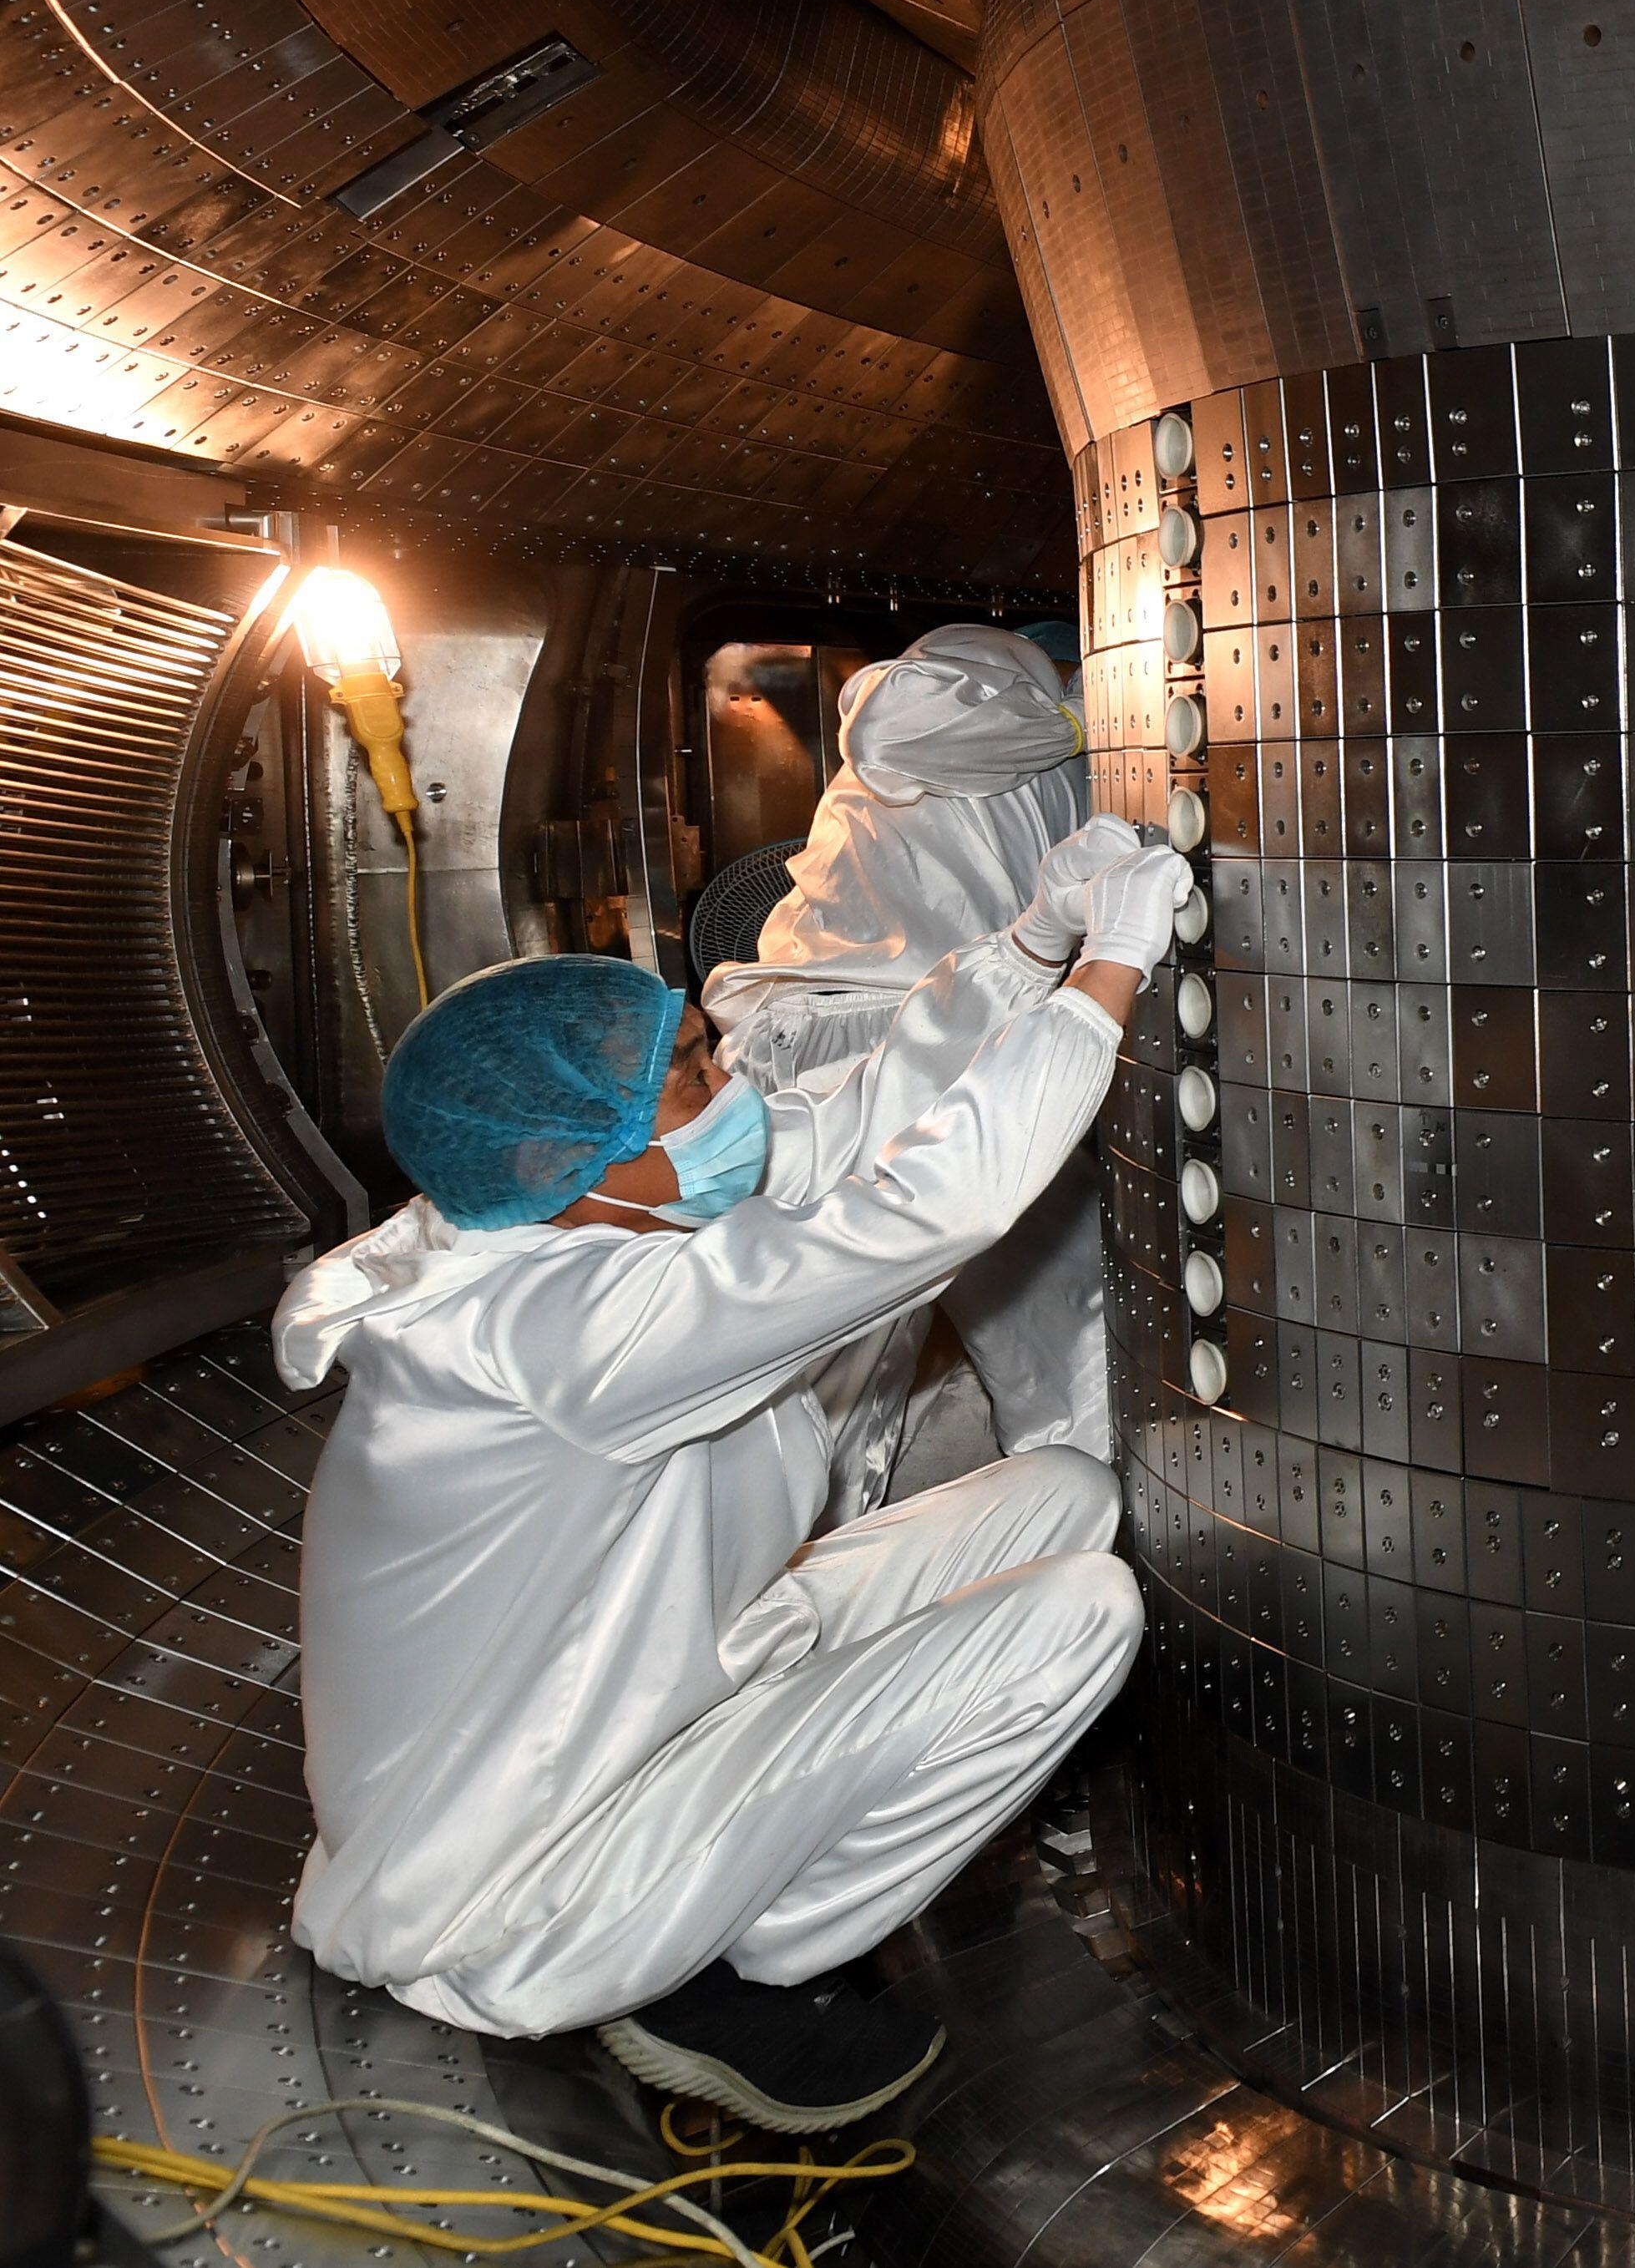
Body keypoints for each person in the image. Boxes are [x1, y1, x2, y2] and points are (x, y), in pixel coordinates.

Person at [272, 833, 1188, 2132]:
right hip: (518, 1868)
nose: (727, 1080)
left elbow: (854, 1120)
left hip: (652, 1681)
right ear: (580, 1160)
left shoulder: (560, 1206)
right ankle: (725, 1956)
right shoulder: (553, 1334)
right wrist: (1112, 973)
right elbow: (924, 1210)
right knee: (1079, 1613)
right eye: (691, 1079)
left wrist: (1029, 944)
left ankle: (720, 1887)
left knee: (1063, 1496)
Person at [703, 624, 1104, 1514]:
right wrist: (1081, 718)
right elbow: (885, 726)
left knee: (1066, 1324)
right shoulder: (984, 667)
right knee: (818, 1373)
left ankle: (1064, 1549)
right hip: (849, 1041)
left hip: (947, 1037)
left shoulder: (1082, 774)